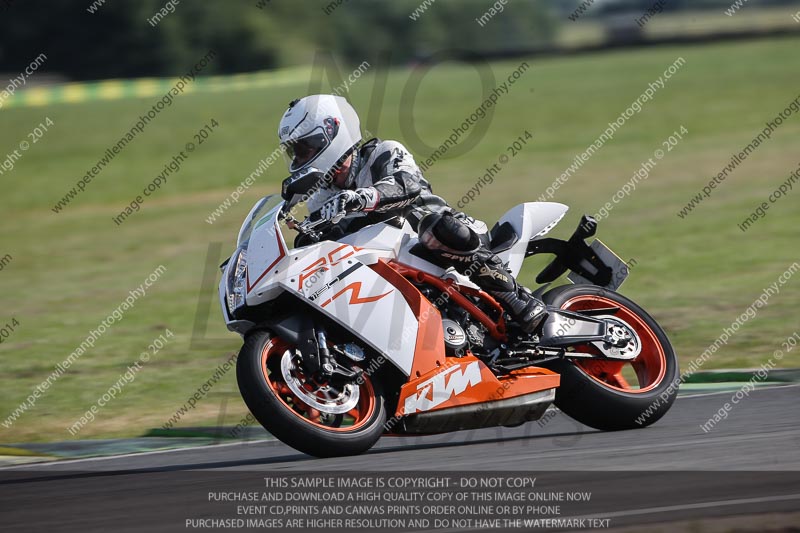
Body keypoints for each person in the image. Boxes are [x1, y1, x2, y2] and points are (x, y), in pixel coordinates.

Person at [278, 94, 547, 334]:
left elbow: (408, 184)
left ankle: (517, 298)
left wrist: (362, 198)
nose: (299, 160)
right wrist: (307, 237)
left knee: (434, 228)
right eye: (295, 152)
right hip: (388, 263)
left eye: (303, 149)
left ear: (331, 133)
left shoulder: (384, 152)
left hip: (441, 238)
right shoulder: (319, 198)